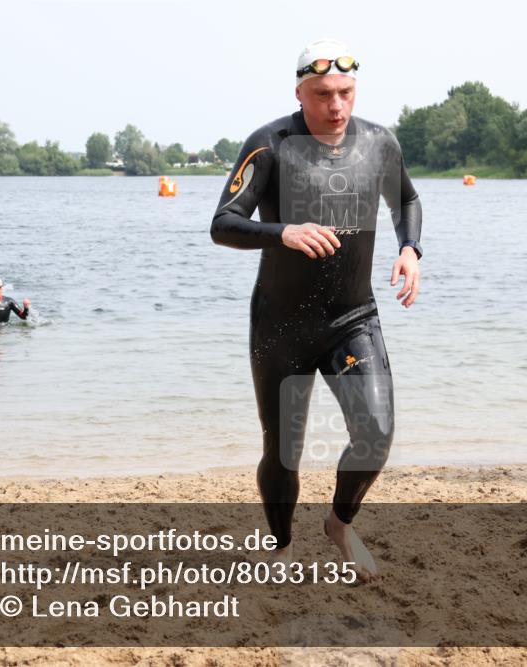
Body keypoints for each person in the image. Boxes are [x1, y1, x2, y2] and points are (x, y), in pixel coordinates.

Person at [210, 39, 422, 579]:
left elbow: (406, 199)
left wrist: (409, 249)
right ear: (299, 93)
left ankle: (339, 523)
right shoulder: (270, 145)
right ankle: (281, 545)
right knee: (283, 451)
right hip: (280, 326)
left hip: (352, 318)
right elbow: (223, 223)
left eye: (346, 92)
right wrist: (282, 231)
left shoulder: (379, 143)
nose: (336, 106)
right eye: (323, 94)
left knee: (376, 433)